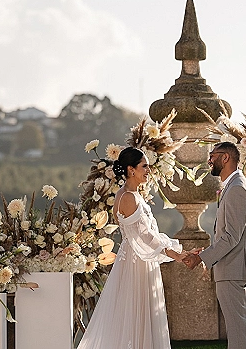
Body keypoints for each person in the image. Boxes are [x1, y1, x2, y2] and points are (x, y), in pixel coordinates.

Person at [77, 147, 187, 349]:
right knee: (136, 316)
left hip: (137, 260)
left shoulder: (130, 194)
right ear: (131, 169)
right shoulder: (128, 197)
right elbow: (145, 237)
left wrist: (175, 250)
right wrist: (176, 255)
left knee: (137, 317)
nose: (148, 170)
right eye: (144, 166)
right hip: (137, 265)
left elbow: (148, 234)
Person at [183, 141, 246, 349]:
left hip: (233, 269)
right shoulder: (240, 185)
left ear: (225, 158)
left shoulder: (237, 189)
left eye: (212, 155)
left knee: (237, 330)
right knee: (243, 327)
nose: (209, 160)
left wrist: (202, 256)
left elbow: (231, 236)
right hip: (236, 268)